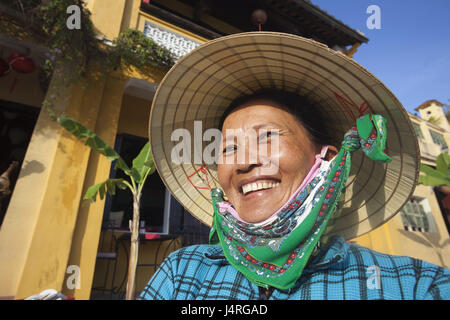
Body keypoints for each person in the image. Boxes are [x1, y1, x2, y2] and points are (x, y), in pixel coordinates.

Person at [140, 32, 450, 300]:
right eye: (229, 148)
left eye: (268, 137)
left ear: (327, 159)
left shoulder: (411, 285)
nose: (244, 162)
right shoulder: (183, 274)